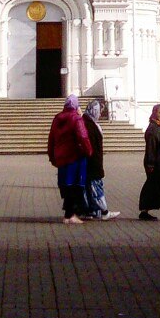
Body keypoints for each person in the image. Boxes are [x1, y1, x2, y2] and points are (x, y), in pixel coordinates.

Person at [47, 94, 92, 224]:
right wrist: (89, 151)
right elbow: (83, 136)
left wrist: (51, 155)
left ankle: (69, 214)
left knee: (66, 185)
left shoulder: (57, 119)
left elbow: (51, 138)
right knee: (76, 186)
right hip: (74, 157)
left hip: (61, 158)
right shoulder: (76, 119)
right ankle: (71, 215)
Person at [82, 100, 121, 220]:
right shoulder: (90, 125)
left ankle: (90, 211)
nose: (100, 114)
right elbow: (93, 148)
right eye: (99, 112)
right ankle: (104, 212)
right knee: (96, 188)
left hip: (88, 163)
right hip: (92, 162)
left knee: (88, 188)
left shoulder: (87, 122)